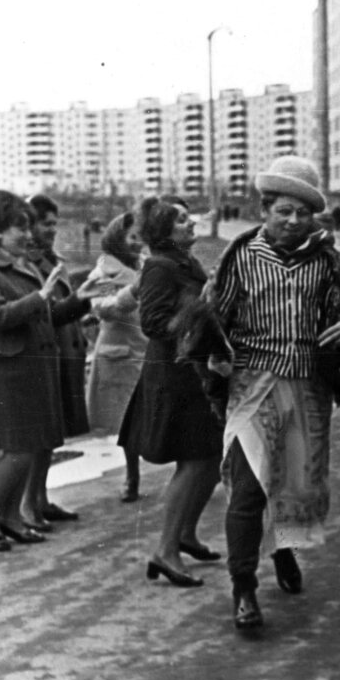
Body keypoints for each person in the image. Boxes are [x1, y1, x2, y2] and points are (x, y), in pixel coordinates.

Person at [206, 155, 340, 631]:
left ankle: (284, 551)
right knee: (247, 490)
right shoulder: (240, 256)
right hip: (253, 386)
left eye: (304, 213)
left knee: (295, 484)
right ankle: (243, 587)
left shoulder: (326, 260)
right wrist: (212, 355)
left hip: (307, 386)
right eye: (284, 211)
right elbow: (211, 317)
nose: (294, 221)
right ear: (265, 209)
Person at [117, 195, 226, 587]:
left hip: (192, 373)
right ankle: (165, 550)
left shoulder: (182, 262)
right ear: (164, 232)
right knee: (195, 461)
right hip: (175, 378)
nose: (191, 223)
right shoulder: (161, 267)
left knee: (211, 457)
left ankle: (185, 534)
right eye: (181, 221)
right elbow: (153, 324)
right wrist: (200, 310)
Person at [0, 190, 65, 551]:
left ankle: (11, 519)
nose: (26, 234)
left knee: (30, 446)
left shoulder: (21, 266)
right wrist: (40, 297)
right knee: (18, 450)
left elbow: (44, 315)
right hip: (4, 371)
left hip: (29, 369)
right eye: (17, 227)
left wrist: (83, 301)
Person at [22, 194, 92, 527]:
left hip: (63, 351)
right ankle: (29, 504)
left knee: (52, 432)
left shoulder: (50, 260)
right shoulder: (29, 266)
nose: (52, 230)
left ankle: (41, 499)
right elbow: (43, 314)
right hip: (48, 353)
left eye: (54, 223)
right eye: (45, 224)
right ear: (28, 225)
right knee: (40, 433)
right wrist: (81, 300)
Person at [79, 212, 148, 502]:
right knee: (127, 421)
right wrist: (132, 291)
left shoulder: (147, 264)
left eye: (140, 237)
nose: (137, 243)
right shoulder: (103, 272)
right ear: (117, 239)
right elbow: (102, 308)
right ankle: (132, 477)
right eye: (132, 237)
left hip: (148, 348)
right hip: (122, 353)